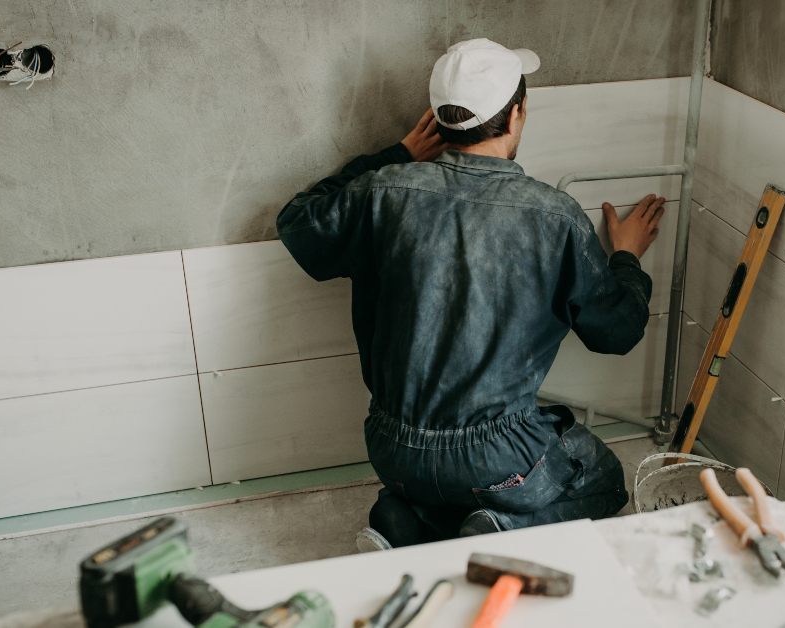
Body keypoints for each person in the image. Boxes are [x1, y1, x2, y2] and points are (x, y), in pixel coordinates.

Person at [277, 38, 665, 550]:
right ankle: (502, 527)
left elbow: (298, 223)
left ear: (439, 120)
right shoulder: (553, 216)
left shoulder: (384, 192)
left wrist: (396, 155)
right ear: (518, 114)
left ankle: (404, 518)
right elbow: (617, 331)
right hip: (497, 460)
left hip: (393, 449)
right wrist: (626, 259)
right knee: (603, 478)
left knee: (447, 479)